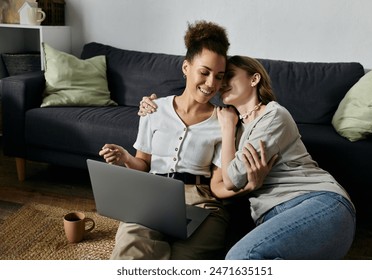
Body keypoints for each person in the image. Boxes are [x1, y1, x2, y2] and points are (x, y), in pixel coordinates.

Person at [140, 55, 356, 259]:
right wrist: (153, 104)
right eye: (221, 77)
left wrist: (226, 130)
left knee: (240, 258)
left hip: (317, 202)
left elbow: (233, 177)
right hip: (273, 217)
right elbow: (224, 182)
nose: (221, 82)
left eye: (229, 75)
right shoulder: (236, 125)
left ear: (254, 79)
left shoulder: (273, 115)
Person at [99, 21, 270, 260]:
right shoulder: (153, 109)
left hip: (202, 203)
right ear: (186, 67)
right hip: (153, 197)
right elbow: (143, 165)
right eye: (204, 72)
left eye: (219, 76)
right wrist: (125, 158)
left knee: (184, 262)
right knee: (131, 249)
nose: (211, 83)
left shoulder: (223, 121)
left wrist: (249, 185)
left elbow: (219, 184)